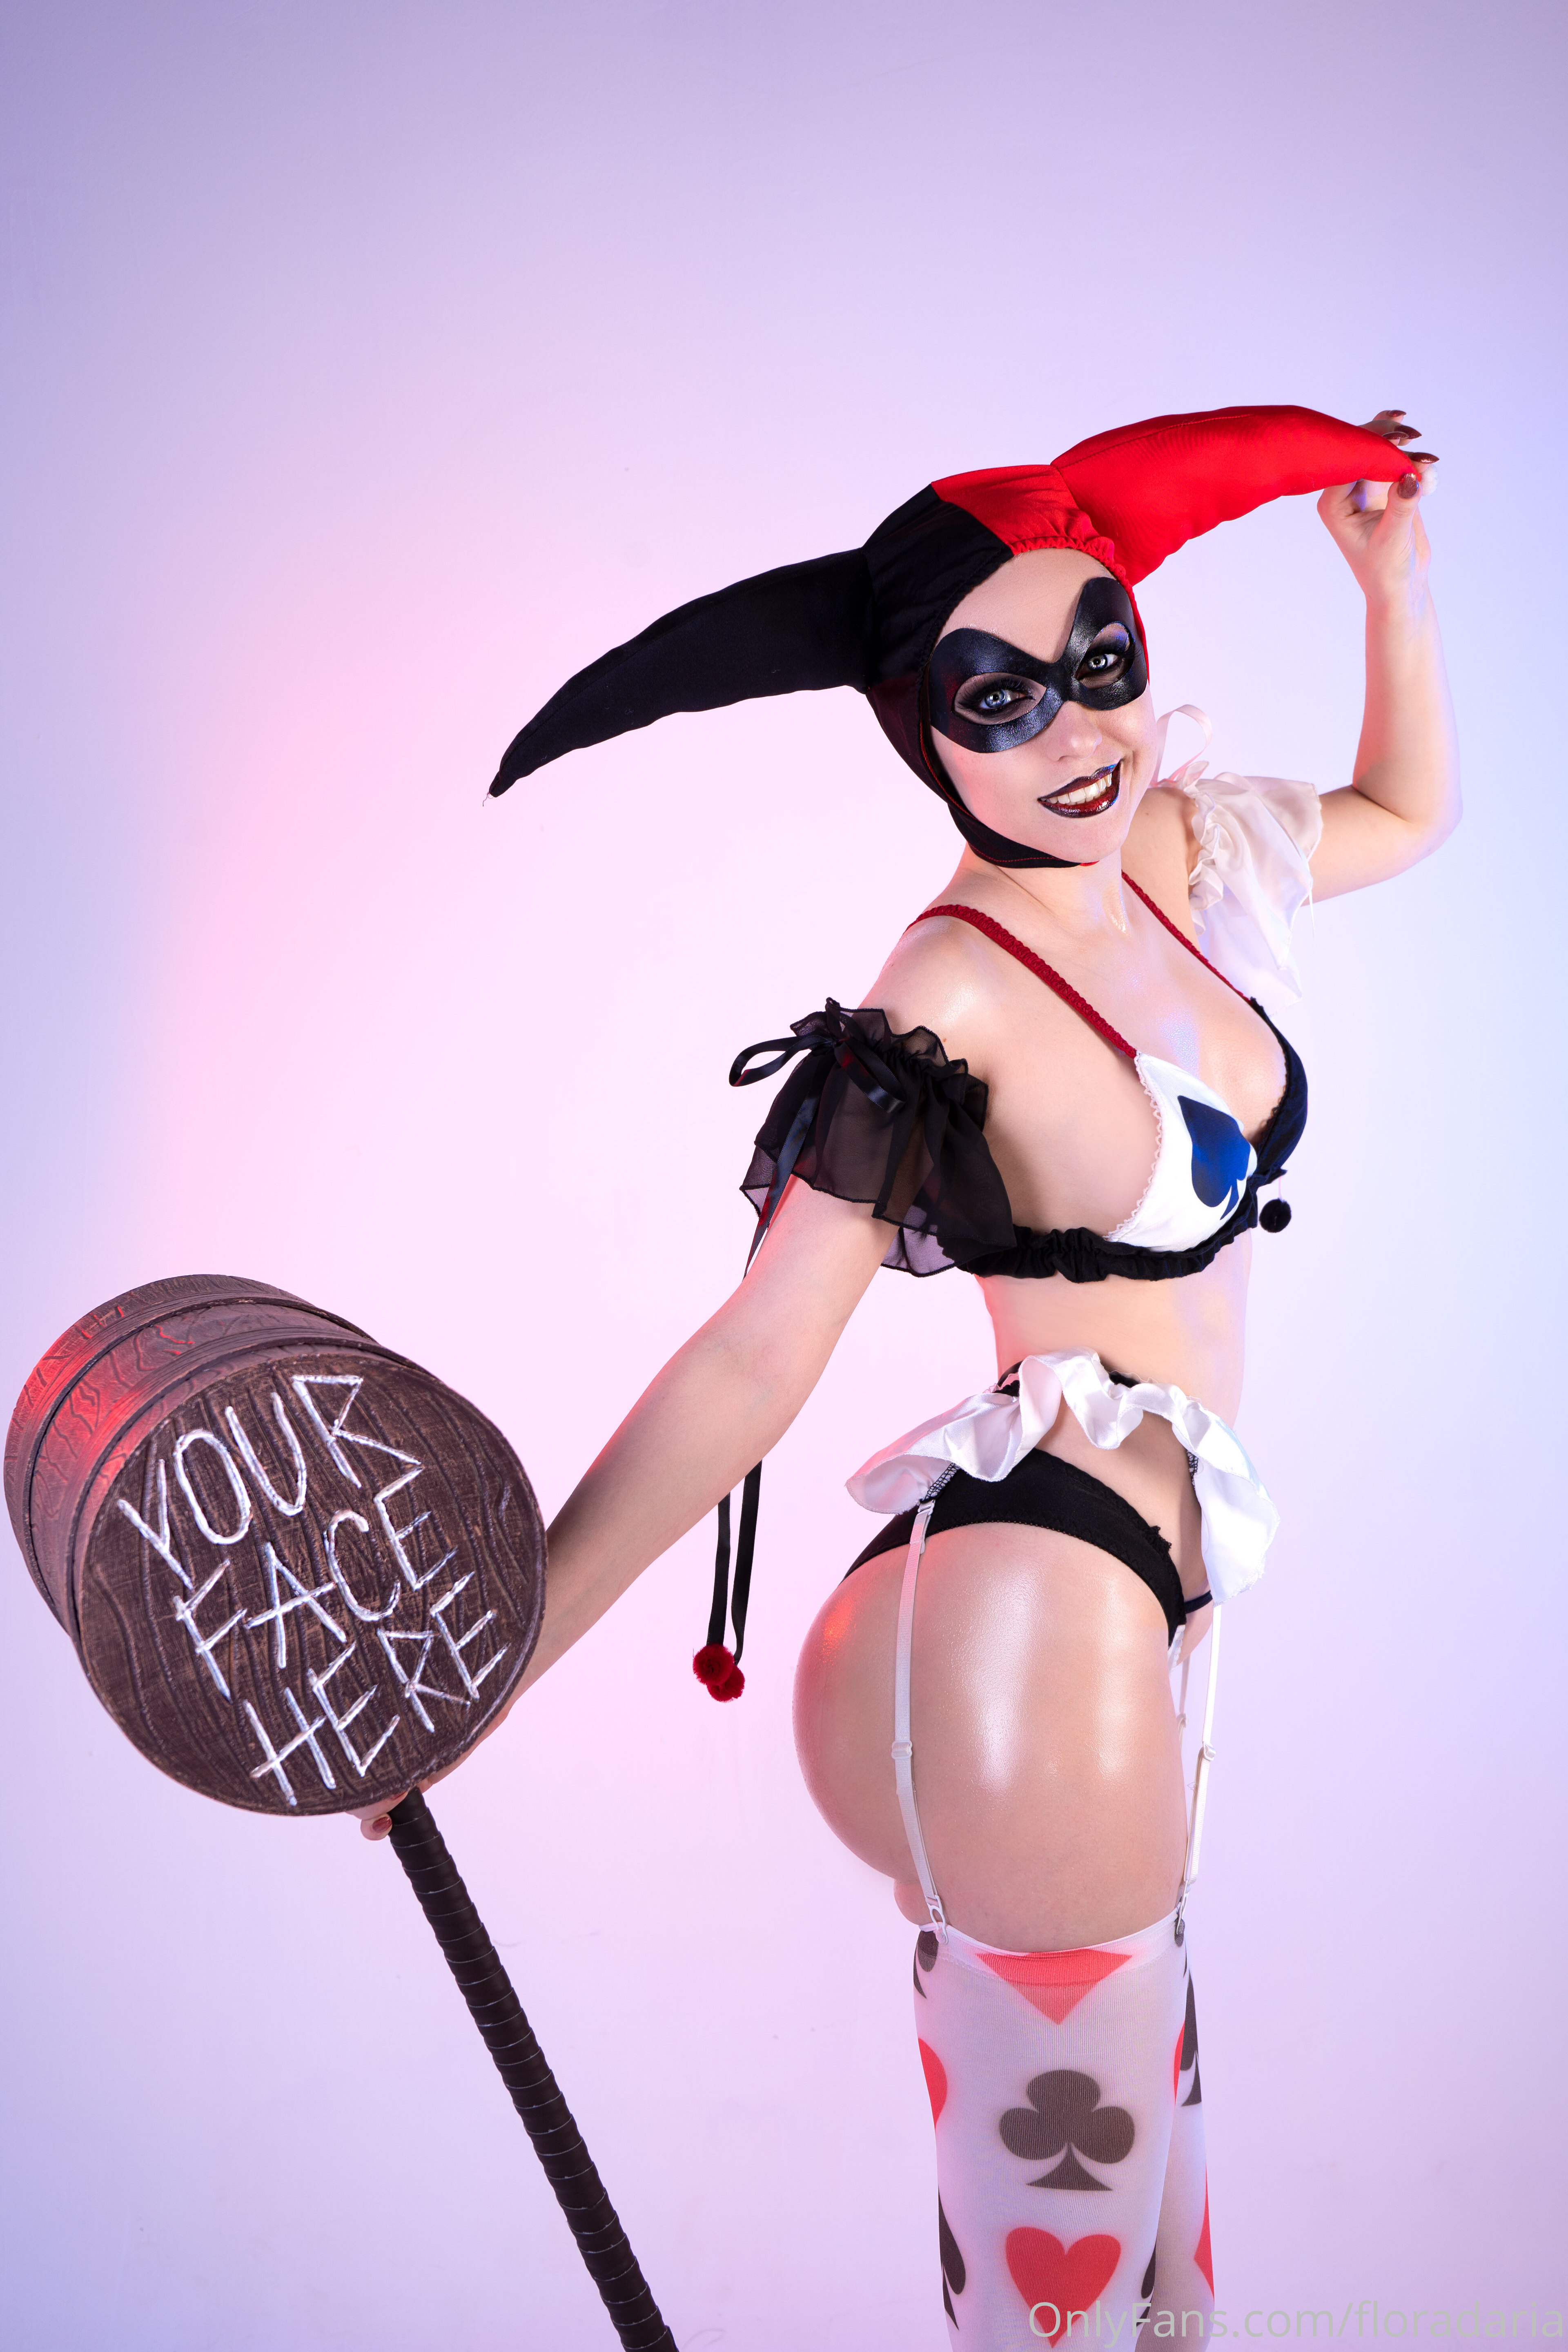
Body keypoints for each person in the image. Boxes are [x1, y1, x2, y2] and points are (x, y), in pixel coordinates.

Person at [362, 405, 1457, 2346]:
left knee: (1163, 2291)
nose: (1075, 734)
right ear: (921, 732)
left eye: (1100, 660)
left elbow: (1400, 816)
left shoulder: (1177, 856)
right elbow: (754, 1358)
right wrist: (497, 1668)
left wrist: (1392, 587)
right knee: (1063, 2307)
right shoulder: (941, 998)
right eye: (996, 699)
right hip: (1028, 1637)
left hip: (1137, 1621)